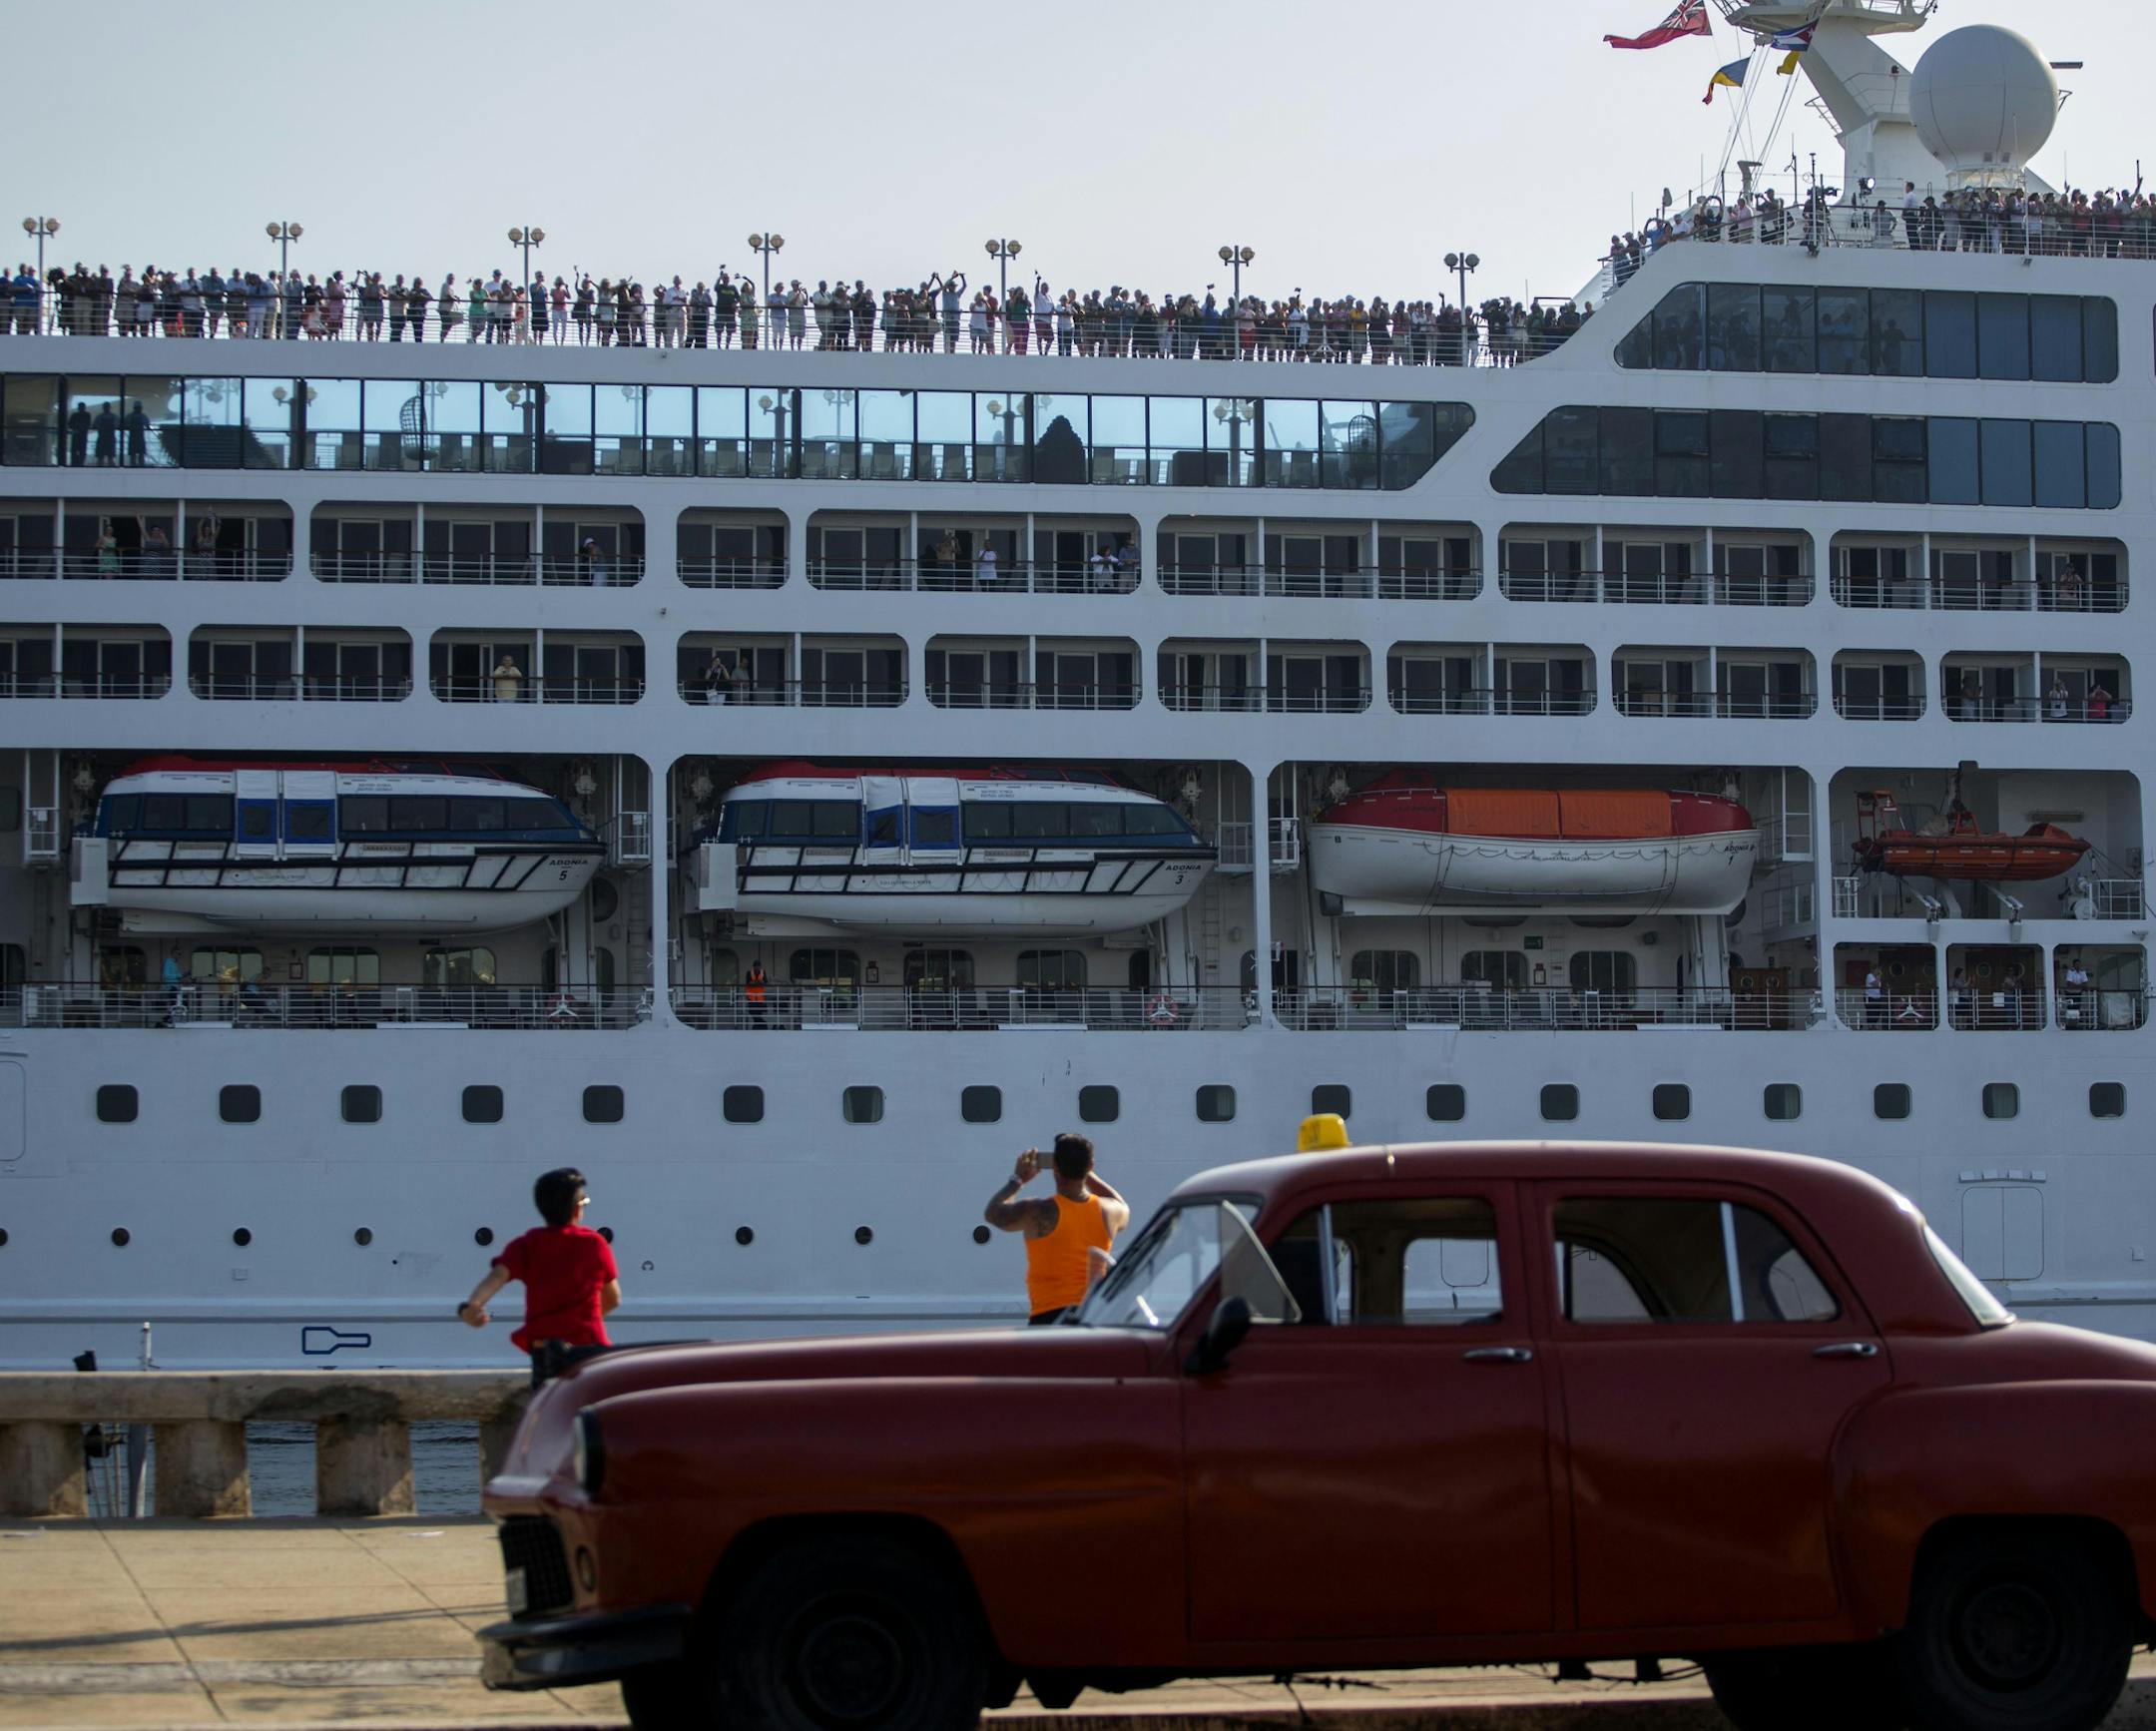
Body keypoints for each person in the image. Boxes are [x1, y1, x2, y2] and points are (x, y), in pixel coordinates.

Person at [457, 1167, 621, 1385]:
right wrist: (581, 1321)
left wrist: (474, 1305)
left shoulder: (528, 1244)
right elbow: (613, 1298)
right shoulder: (593, 1244)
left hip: (545, 1349)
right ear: (577, 1208)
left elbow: (496, 1277)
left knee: (547, 1401)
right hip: (587, 1347)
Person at [983, 1134, 1131, 1326]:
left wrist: (1017, 1180)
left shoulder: (1036, 1211)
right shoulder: (1109, 1211)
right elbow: (1121, 1204)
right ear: (1090, 1165)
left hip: (1049, 1318)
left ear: (1055, 1167)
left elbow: (993, 1213)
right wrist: (1087, 1173)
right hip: (1092, 1316)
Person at [743, 958, 768, 1027]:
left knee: (759, 1012)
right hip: (751, 997)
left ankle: (758, 1026)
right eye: (756, 966)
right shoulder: (749, 973)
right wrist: (758, 982)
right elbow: (748, 982)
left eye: (758, 966)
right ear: (753, 966)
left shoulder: (763, 972)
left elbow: (765, 982)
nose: (757, 967)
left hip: (760, 997)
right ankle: (762, 1025)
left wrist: (756, 982)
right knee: (752, 1012)